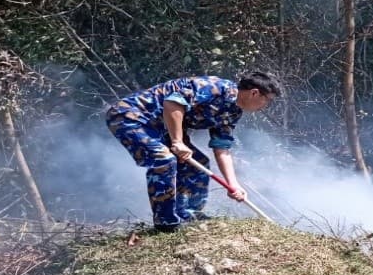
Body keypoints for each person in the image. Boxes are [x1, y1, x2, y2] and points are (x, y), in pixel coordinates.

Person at [106, 73, 280, 232]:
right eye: (267, 100)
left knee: (198, 163)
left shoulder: (233, 111)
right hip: (131, 117)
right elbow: (172, 103)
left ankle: (188, 215)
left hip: (161, 127)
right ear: (254, 93)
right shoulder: (214, 88)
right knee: (163, 160)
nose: (266, 106)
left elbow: (222, 147)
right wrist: (177, 142)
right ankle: (166, 224)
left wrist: (233, 184)